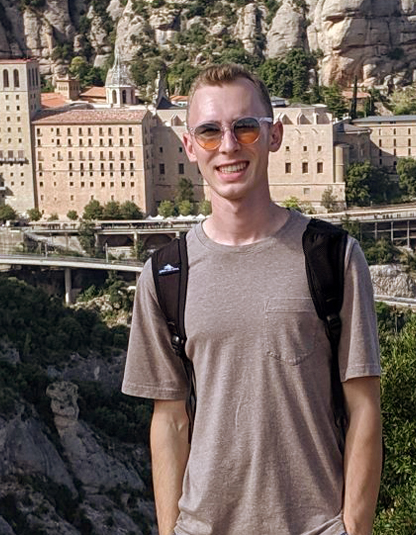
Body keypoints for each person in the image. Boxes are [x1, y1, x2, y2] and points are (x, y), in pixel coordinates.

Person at [123, 63, 383, 535]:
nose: (227, 146)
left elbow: (364, 406)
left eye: (244, 127)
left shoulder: (333, 256)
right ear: (189, 146)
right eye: (209, 132)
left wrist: (353, 529)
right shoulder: (164, 274)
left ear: (274, 135)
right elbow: (169, 421)